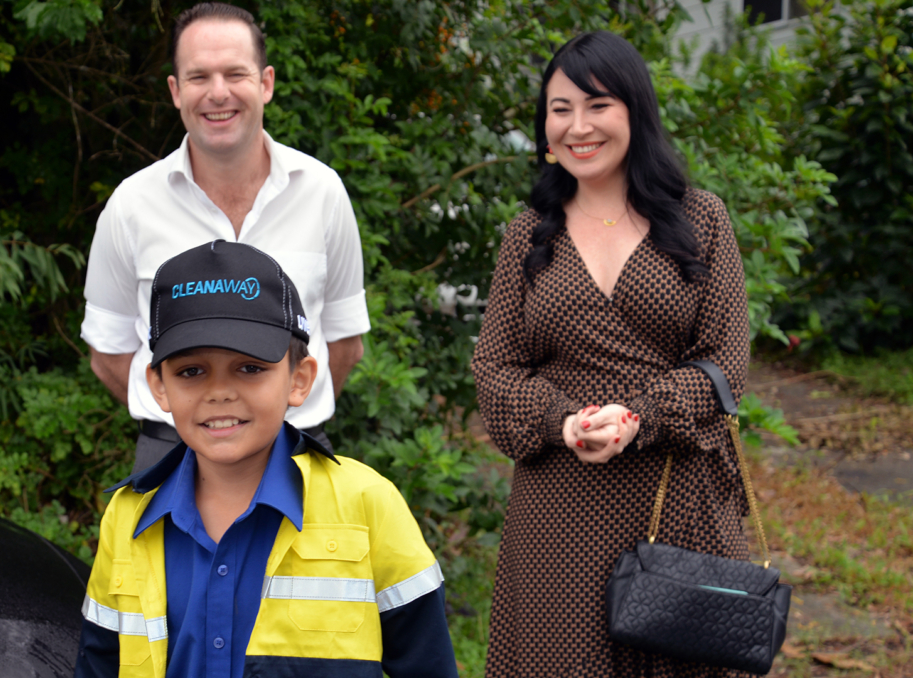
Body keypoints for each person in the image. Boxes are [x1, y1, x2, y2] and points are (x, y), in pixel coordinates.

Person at [472, 31, 752, 677]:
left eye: (597, 105)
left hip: (676, 495)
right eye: (560, 108)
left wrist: (638, 419)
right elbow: (494, 365)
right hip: (558, 505)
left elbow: (726, 358)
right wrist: (562, 422)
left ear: (635, 110)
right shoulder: (527, 236)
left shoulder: (700, 220)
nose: (578, 126)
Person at [73, 240, 457, 678]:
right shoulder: (126, 518)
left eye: (250, 368)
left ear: (299, 379)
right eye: (190, 371)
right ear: (158, 387)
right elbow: (97, 664)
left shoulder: (368, 504)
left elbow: (430, 666)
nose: (219, 392)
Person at [81, 2, 369, 473]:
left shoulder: (322, 193)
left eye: (235, 73)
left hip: (296, 456)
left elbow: (343, 344)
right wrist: (192, 422)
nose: (218, 93)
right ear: (175, 91)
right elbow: (108, 353)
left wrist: (277, 414)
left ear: (266, 83)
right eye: (199, 77)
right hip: (170, 460)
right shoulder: (131, 205)